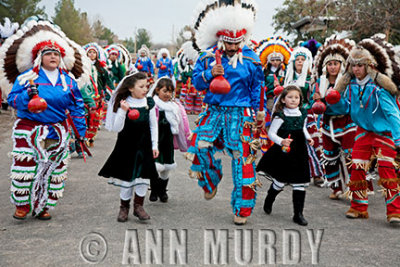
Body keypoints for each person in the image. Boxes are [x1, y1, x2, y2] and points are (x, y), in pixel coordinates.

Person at [0, 18, 89, 220]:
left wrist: (80, 132)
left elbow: (76, 106)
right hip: (29, 128)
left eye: (56, 54)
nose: (53, 57)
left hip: (57, 130)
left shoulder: (68, 81)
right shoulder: (26, 78)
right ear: (39, 57)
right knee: (26, 166)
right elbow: (12, 99)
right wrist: (27, 99)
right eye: (48, 54)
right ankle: (22, 204)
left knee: (53, 170)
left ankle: (43, 206)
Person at [187, 0, 264, 225]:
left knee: (243, 161)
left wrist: (260, 116)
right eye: (228, 43)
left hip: (241, 114)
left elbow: (257, 89)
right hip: (214, 111)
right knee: (199, 146)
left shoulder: (251, 59)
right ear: (221, 39)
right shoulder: (207, 57)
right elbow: (196, 83)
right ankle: (211, 179)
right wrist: (210, 74)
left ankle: (242, 209)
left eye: (236, 43)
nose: (232, 47)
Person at [329, 35, 400, 224]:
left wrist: (399, 139)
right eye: (353, 65)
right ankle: (359, 207)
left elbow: (393, 114)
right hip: (363, 132)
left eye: (360, 65)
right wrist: (332, 101)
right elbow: (345, 108)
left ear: (368, 66)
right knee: (357, 167)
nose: (356, 69)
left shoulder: (379, 88)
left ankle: (395, 211)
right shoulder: (351, 85)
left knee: (387, 171)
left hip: (384, 133)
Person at [98, 72, 159, 222]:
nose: (145, 89)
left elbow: (153, 125)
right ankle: (124, 207)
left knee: (143, 177)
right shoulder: (124, 103)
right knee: (128, 179)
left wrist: (154, 144)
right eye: (141, 86)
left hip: (144, 146)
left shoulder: (148, 103)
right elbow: (118, 128)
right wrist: (123, 111)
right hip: (127, 147)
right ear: (131, 88)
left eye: (146, 86)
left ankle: (139, 206)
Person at [257, 86, 313, 226]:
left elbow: (303, 128)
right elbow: (271, 133)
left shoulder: (302, 113)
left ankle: (298, 214)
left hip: (299, 150)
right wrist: (281, 141)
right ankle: (270, 197)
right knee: (280, 181)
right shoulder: (280, 115)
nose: (293, 100)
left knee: (300, 182)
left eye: (296, 97)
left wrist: (308, 137)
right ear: (283, 99)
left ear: (300, 100)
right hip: (285, 150)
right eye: (290, 97)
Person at [311, 35, 357, 199]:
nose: (332, 67)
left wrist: (334, 99)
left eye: (335, 63)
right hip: (327, 124)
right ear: (325, 66)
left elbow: (350, 104)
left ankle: (355, 188)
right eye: (329, 64)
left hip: (347, 122)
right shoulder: (319, 83)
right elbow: (313, 105)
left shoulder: (348, 83)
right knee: (329, 156)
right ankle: (336, 188)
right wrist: (316, 101)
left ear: (342, 65)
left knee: (351, 156)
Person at [284, 47, 324, 186]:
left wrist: (316, 98)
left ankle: (317, 174)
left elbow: (315, 98)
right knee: (291, 145)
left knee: (312, 143)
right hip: (291, 116)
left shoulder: (310, 79)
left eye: (303, 60)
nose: (300, 62)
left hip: (307, 114)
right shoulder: (288, 78)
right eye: (298, 60)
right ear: (293, 62)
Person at [149, 77, 189, 202]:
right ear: (157, 90)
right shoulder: (152, 105)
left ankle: (162, 191)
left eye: (170, 91)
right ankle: (154, 190)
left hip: (168, 142)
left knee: (167, 167)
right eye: (165, 91)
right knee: (155, 167)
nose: (168, 94)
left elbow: (183, 124)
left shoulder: (175, 107)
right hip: (156, 141)